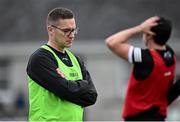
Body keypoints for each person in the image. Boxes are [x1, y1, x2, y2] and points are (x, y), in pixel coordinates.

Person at [26, 7, 97, 121]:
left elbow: (91, 96)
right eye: (66, 31)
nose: (72, 35)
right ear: (51, 30)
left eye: (74, 30)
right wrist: (83, 85)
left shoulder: (76, 59)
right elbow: (65, 90)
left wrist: (70, 85)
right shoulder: (40, 58)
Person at [105, 16, 177, 121]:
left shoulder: (146, 58)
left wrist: (139, 28)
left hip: (139, 117)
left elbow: (111, 42)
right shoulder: (171, 55)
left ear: (149, 35)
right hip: (159, 117)